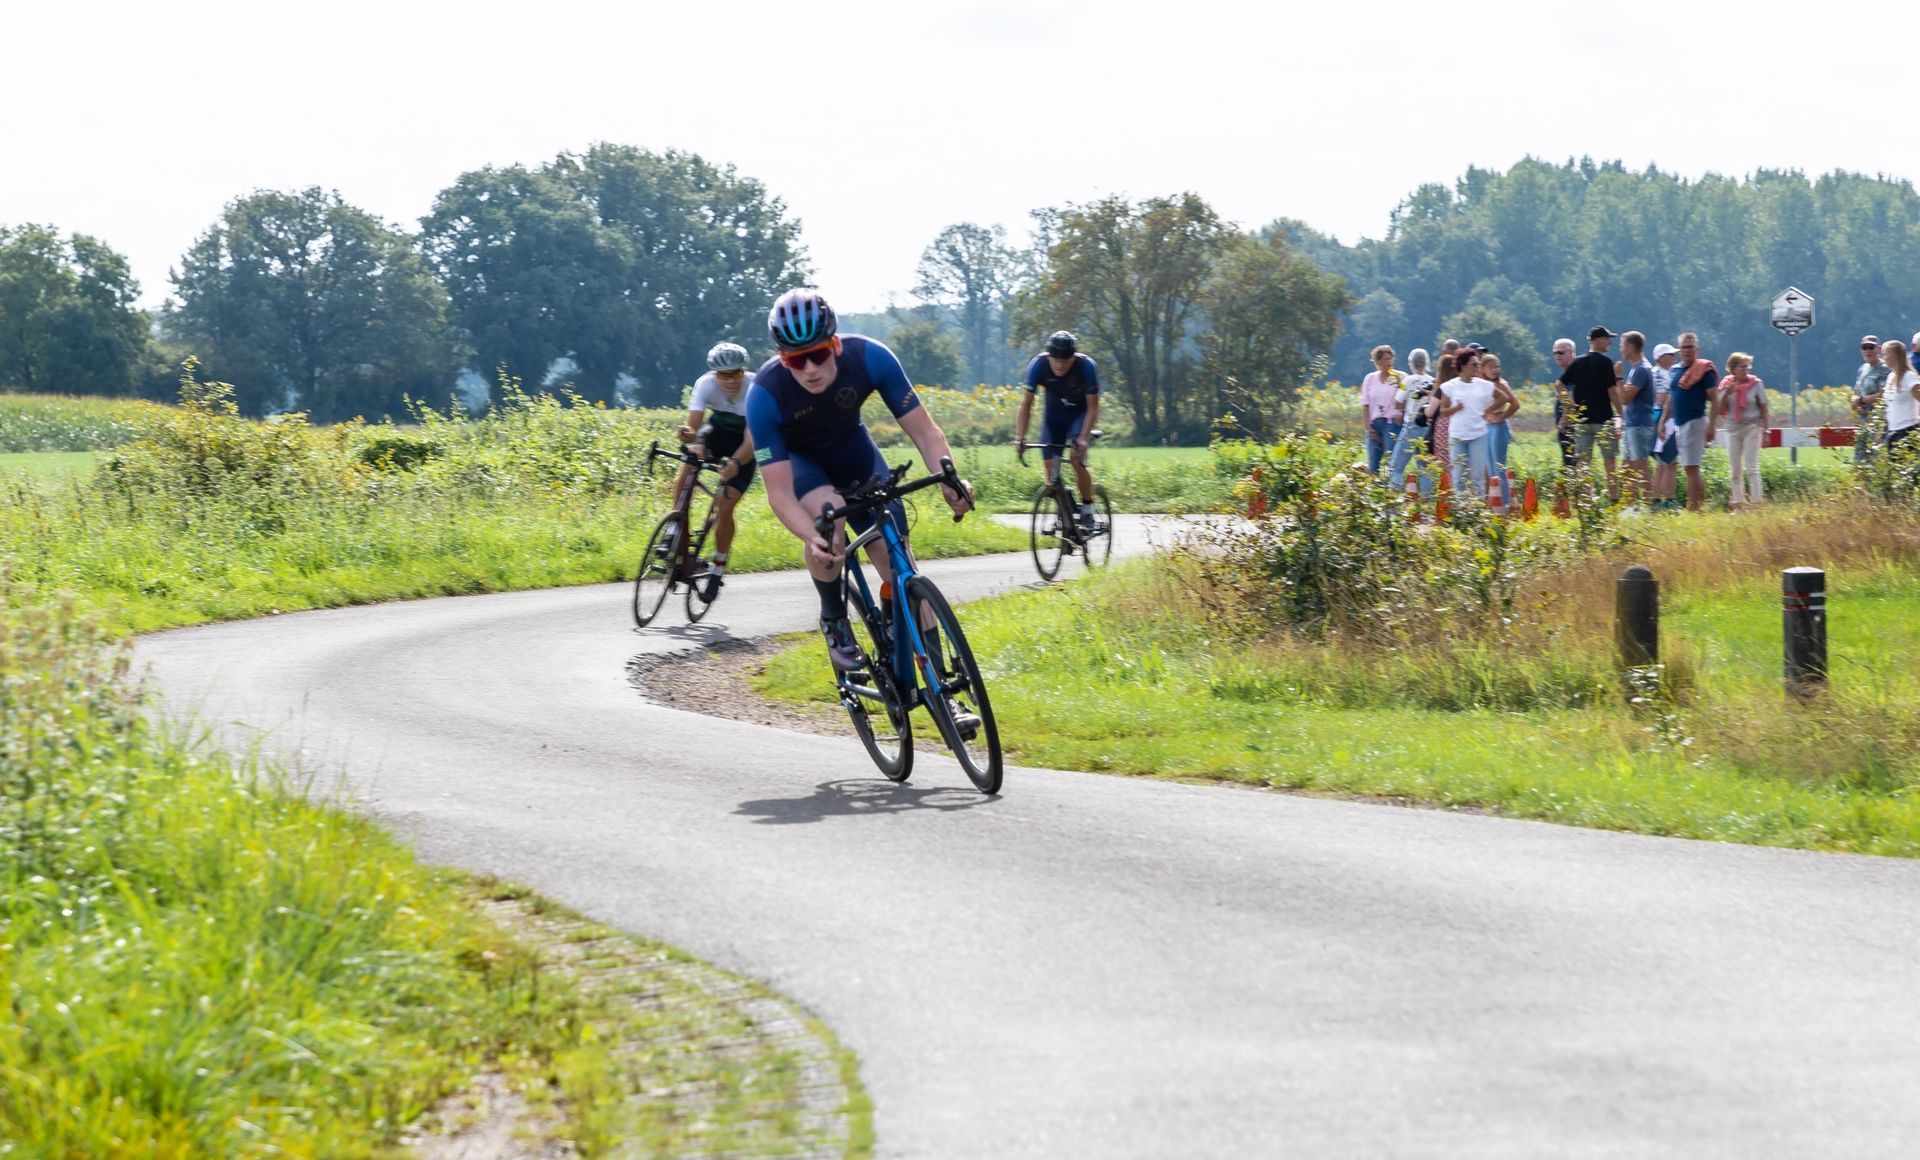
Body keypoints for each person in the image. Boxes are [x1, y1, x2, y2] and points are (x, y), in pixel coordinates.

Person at [746, 289, 973, 671]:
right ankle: (834, 618)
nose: (810, 369)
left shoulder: (870, 357)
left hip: (852, 449)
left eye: (818, 354)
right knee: (830, 519)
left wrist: (949, 479)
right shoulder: (765, 395)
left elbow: (925, 432)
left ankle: (935, 674)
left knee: (896, 554)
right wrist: (812, 537)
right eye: (796, 360)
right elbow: (780, 494)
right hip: (800, 461)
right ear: (783, 359)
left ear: (835, 344)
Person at [673, 342, 758, 601]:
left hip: (747, 443)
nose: (730, 380)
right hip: (717, 433)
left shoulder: (755, 388)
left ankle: (718, 566)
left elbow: (751, 440)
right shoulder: (705, 384)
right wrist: (686, 435)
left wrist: (735, 463)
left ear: (744, 371)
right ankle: (676, 533)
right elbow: (694, 428)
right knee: (689, 462)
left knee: (724, 506)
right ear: (714, 374)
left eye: (736, 373)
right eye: (723, 375)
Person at [1015, 330, 1101, 532]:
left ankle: (1087, 508)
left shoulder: (1086, 366)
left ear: (1074, 357)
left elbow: (1093, 407)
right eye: (1056, 360)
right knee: (1049, 469)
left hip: (1079, 415)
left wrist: (1083, 438)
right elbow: (1026, 405)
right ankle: (1064, 510)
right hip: (1054, 418)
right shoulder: (1038, 365)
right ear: (1049, 356)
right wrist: (1020, 437)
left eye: (1065, 360)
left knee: (1076, 458)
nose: (1060, 365)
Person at [1559, 325, 1620, 497]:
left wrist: (1570, 407)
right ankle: (1614, 500)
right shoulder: (1606, 362)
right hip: (1604, 421)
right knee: (1610, 462)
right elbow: (1612, 391)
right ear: (1596, 340)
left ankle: (1585, 501)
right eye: (1606, 338)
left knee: (1583, 463)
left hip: (1582, 421)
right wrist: (1622, 414)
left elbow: (1559, 385)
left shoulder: (1577, 362)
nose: (1609, 342)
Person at [1437, 348, 1498, 505]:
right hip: (1457, 436)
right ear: (1463, 366)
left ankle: (1477, 510)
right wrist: (1455, 408)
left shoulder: (1484, 385)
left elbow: (1503, 398)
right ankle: (1461, 510)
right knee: (1458, 475)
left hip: (1478, 435)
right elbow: (1443, 411)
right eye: (1474, 364)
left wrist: (1488, 410)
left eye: (1478, 364)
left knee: (1477, 476)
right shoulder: (1450, 386)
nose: (1478, 367)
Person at [1668, 332, 1719, 512]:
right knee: (1689, 468)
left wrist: (1711, 425)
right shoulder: (1675, 370)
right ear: (1679, 350)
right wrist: (1663, 421)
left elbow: (1715, 399)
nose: (1687, 350)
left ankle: (1694, 508)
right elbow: (1671, 398)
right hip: (1680, 423)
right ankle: (1695, 507)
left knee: (1692, 468)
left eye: (1690, 346)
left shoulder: (1703, 370)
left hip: (1695, 421)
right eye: (1684, 347)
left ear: (1697, 349)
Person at [1714, 352, 1769, 510]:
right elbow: (1720, 408)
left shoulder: (1756, 383)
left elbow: (1764, 408)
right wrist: (1727, 393)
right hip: (1733, 428)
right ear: (1733, 368)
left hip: (1752, 426)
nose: (1746, 369)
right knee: (1735, 468)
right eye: (1742, 366)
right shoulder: (1725, 384)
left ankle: (1757, 503)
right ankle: (1738, 503)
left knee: (1752, 466)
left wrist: (1766, 429)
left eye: (1747, 366)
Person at [1613, 331, 1657, 506]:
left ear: (1631, 347)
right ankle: (1629, 507)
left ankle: (1648, 505)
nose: (1620, 349)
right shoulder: (1636, 369)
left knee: (1640, 467)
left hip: (1639, 425)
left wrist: (1618, 378)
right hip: (1632, 424)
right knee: (1627, 468)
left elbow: (1625, 398)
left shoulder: (1641, 370)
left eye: (1622, 345)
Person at [1388, 348, 1437, 494]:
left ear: (1411, 363)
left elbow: (1397, 403)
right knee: (1425, 467)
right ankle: (1426, 498)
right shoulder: (1432, 381)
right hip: (1427, 426)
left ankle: (1394, 495)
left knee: (1395, 466)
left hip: (1412, 424)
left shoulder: (1408, 380)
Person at [1480, 353, 1521, 507]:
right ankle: (1495, 503)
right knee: (1489, 468)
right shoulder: (1481, 384)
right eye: (1490, 367)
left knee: (1498, 467)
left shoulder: (1502, 384)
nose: (1494, 370)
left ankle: (1505, 504)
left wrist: (1502, 417)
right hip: (1485, 427)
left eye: (1496, 367)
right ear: (1483, 369)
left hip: (1498, 427)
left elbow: (1515, 404)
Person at [1358, 345, 1405, 474]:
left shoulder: (1400, 377)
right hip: (1375, 423)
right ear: (1378, 361)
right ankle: (1374, 485)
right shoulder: (1370, 378)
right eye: (1386, 359)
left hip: (1392, 423)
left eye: (1391, 358)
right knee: (1373, 464)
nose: (1389, 362)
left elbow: (1407, 398)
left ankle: (1391, 485)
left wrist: (1401, 414)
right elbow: (1365, 404)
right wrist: (1368, 428)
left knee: (1391, 463)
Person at [1648, 342, 1681, 508]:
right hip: (1663, 418)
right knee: (1663, 462)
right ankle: (1657, 500)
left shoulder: (1666, 373)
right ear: (1660, 357)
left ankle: (1668, 499)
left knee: (1671, 462)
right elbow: (1661, 399)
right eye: (1670, 355)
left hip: (1668, 419)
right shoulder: (1658, 374)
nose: (1674, 357)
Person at [1851, 335, 1889, 460]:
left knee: (1876, 457)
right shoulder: (1862, 369)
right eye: (1864, 347)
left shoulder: (1885, 369)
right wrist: (1855, 401)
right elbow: (1857, 391)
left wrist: (1861, 400)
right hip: (1863, 420)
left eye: (1871, 347)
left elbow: (1883, 394)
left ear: (1879, 349)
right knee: (1860, 458)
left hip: (1879, 421)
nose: (1868, 350)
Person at [1883, 339, 1920, 448]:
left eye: (1885, 354)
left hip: (1907, 432)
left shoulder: (1909, 377)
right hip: (1892, 432)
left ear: (1895, 356)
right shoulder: (1890, 377)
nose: (1884, 358)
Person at [1548, 338, 1577, 473]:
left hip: (1571, 427)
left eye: (1561, 352)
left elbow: (1573, 400)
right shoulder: (1566, 374)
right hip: (1566, 428)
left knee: (1573, 463)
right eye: (1555, 353)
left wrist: (1563, 421)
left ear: (1571, 353)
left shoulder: (1575, 373)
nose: (1557, 356)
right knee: (1568, 463)